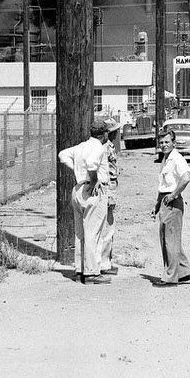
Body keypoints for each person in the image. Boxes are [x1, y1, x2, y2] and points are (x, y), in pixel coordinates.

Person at [57, 116, 121, 283]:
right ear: (104, 134)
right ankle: (92, 272)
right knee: (94, 233)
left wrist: (79, 172)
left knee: (80, 233)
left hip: (78, 189)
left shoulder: (81, 146)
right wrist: (92, 179)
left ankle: (80, 270)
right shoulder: (98, 147)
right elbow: (92, 164)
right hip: (93, 191)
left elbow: (63, 155)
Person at [153, 130, 190, 285]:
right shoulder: (166, 158)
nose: (164, 145)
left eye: (167, 142)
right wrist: (157, 205)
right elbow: (163, 185)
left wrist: (174, 195)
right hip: (164, 200)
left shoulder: (177, 158)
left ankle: (170, 277)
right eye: (161, 142)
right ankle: (184, 272)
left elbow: (186, 178)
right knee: (169, 238)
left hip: (172, 202)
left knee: (170, 240)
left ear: (174, 143)